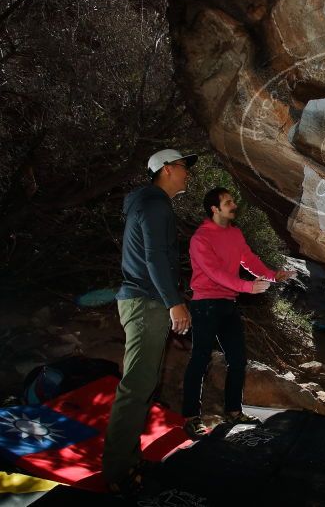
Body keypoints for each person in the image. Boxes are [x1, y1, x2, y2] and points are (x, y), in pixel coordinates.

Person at [103, 148, 197, 494]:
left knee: (144, 385)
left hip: (144, 302)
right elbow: (155, 256)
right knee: (136, 388)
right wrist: (174, 303)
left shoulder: (147, 203)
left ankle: (127, 458)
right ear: (167, 169)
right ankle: (116, 473)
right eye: (183, 167)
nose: (187, 173)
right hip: (146, 304)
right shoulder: (156, 204)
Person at [182, 187, 295, 438]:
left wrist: (273, 275)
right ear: (214, 208)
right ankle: (191, 418)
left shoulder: (235, 233)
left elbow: (249, 260)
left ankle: (234, 411)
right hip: (206, 304)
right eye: (228, 202)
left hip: (228, 304)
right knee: (200, 360)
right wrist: (246, 287)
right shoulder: (201, 238)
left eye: (233, 201)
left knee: (238, 360)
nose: (234, 205)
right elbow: (214, 273)